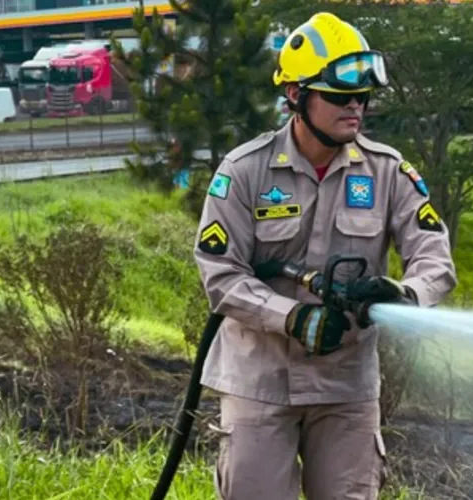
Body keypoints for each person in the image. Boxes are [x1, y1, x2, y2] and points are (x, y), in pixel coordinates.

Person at [192, 12, 458, 500]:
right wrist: (293, 317)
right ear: (296, 94)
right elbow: (221, 274)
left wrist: (405, 293)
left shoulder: (387, 172)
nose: (355, 106)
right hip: (259, 383)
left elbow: (434, 258)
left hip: (346, 388)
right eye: (339, 95)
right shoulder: (244, 171)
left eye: (361, 96)